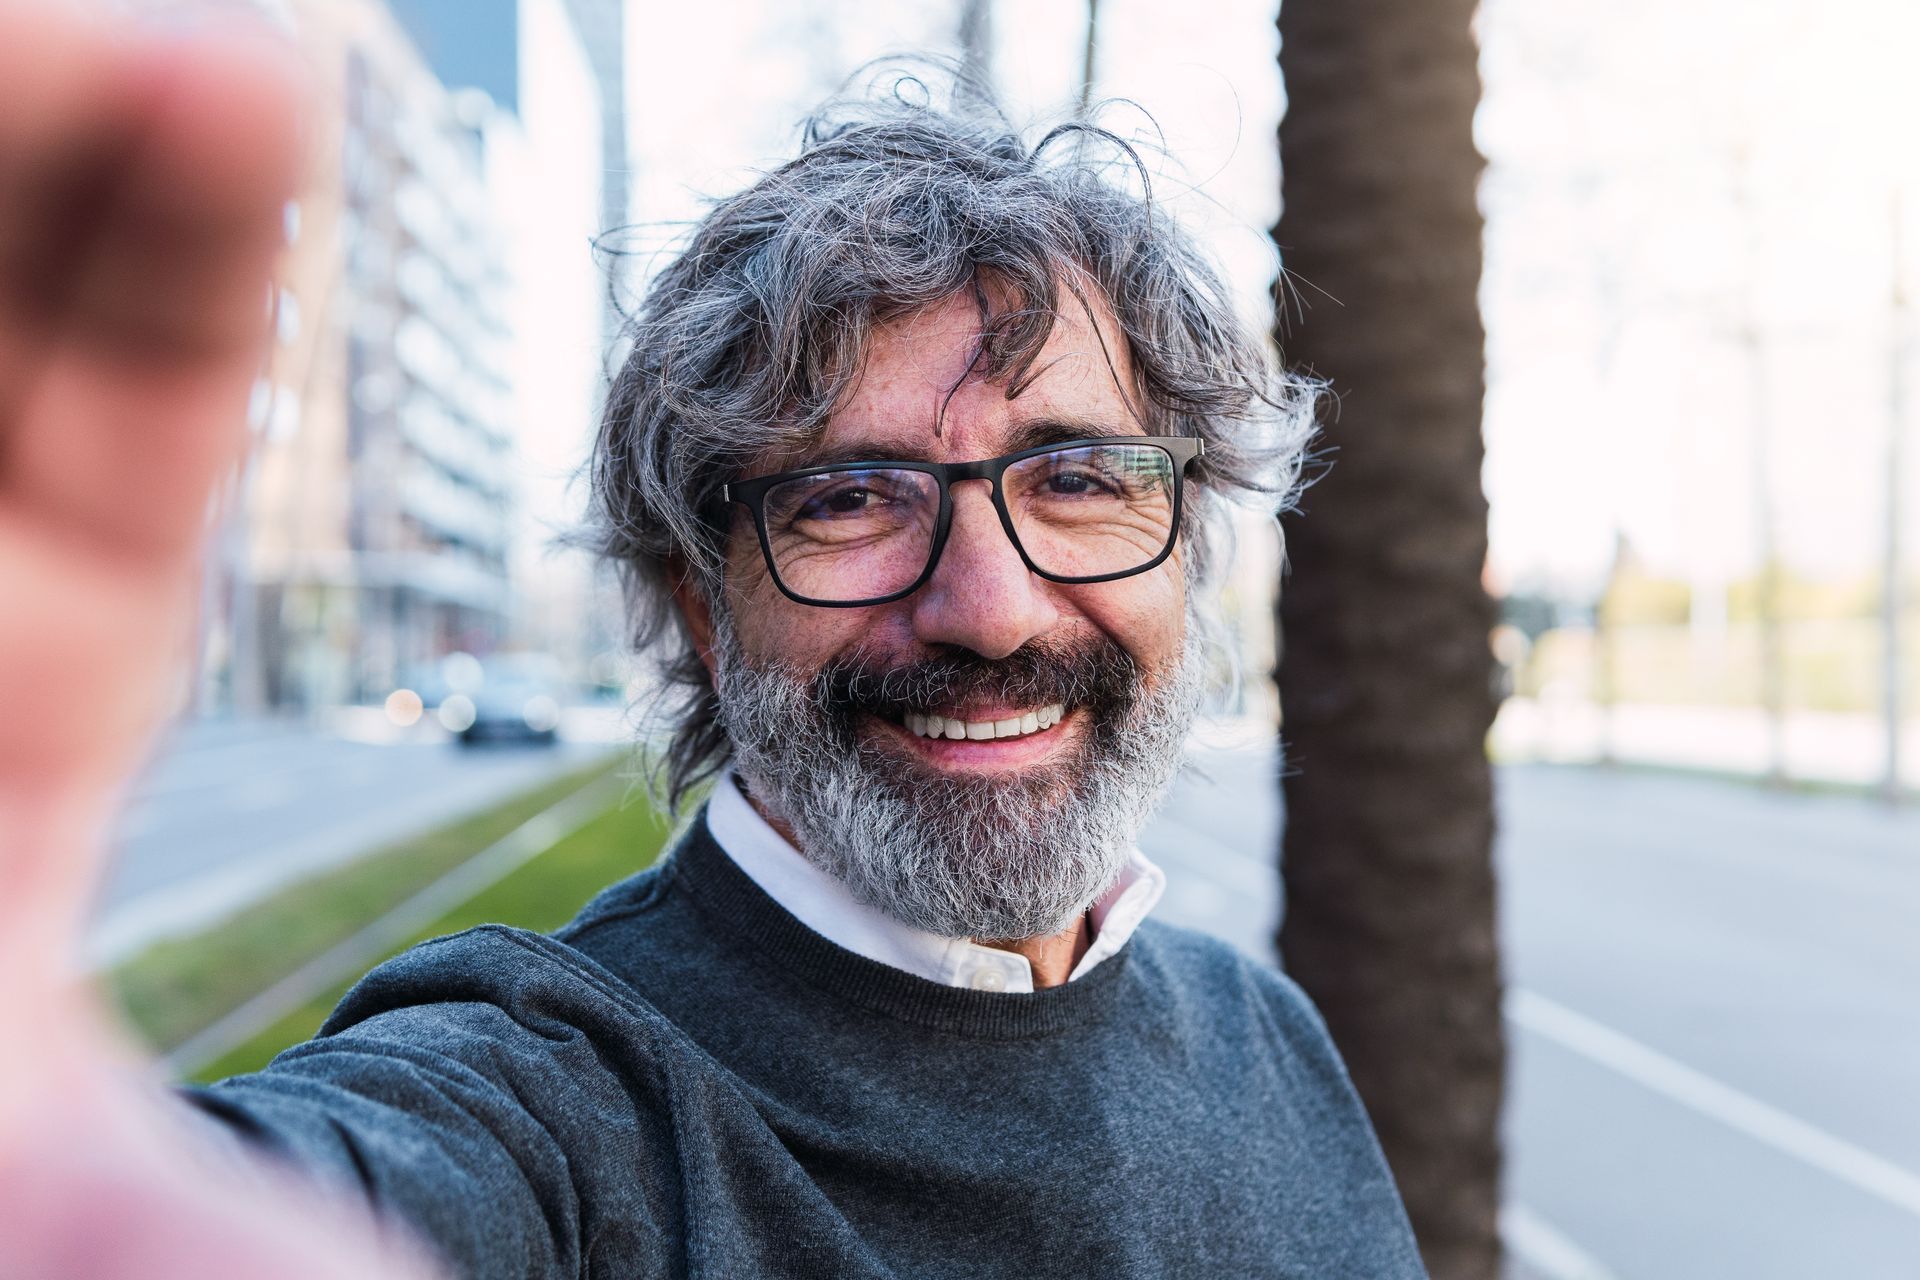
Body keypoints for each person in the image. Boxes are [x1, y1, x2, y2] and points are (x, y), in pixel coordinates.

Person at [0, 5, 1425, 1277]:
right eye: (850, 498)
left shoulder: (1271, 1043)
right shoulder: (557, 1108)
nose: (990, 608)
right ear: (698, 595)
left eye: (1075, 477)